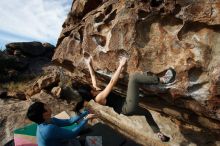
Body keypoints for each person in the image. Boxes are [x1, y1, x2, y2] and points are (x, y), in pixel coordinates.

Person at [75, 55, 175, 142]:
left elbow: (93, 75)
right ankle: (163, 80)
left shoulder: (95, 90)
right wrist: (121, 65)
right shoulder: (99, 98)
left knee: (146, 113)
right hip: (127, 106)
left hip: (125, 108)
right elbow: (112, 82)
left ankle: (158, 133)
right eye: (91, 87)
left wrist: (89, 63)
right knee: (134, 79)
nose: (92, 85)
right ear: (90, 91)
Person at [26, 101, 95, 146]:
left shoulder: (49, 120)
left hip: (59, 142)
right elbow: (72, 134)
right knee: (95, 142)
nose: (48, 105)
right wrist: (86, 119)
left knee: (80, 140)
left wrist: (85, 112)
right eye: (46, 106)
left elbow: (69, 121)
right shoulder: (48, 129)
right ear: (44, 114)